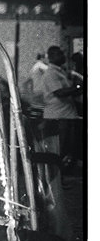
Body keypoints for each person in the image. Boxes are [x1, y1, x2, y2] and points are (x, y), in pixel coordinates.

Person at [40, 45, 82, 173]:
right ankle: (58, 178)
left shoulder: (60, 71)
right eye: (59, 54)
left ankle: (63, 176)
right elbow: (60, 93)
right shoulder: (51, 73)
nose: (63, 56)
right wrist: (79, 87)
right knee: (59, 149)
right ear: (52, 56)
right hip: (57, 117)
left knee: (66, 149)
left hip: (66, 115)